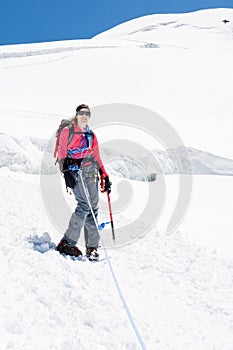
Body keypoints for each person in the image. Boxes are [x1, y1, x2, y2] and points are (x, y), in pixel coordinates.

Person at [56, 104, 111, 260]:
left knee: (93, 208)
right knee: (84, 205)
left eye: (87, 113)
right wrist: (66, 173)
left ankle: (92, 247)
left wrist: (105, 176)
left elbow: (97, 157)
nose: (84, 115)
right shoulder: (68, 131)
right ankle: (67, 243)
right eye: (82, 113)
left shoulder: (91, 135)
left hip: (91, 171)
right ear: (77, 114)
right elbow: (62, 153)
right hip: (74, 171)